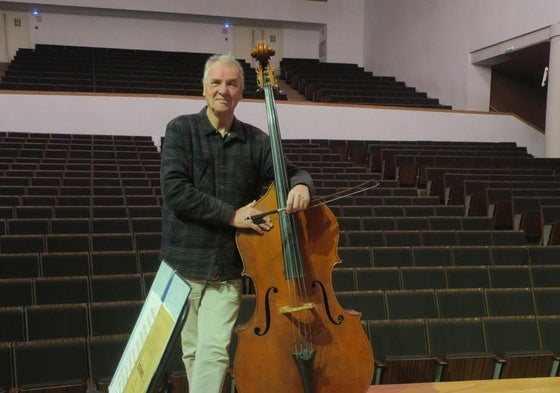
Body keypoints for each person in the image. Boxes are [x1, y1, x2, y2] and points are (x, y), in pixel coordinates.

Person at [159, 53, 314, 393]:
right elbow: (175, 191)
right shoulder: (181, 130)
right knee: (193, 351)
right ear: (203, 89)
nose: (223, 90)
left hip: (226, 269)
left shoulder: (257, 141)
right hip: (182, 267)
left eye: (231, 83)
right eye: (216, 82)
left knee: (213, 352)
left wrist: (301, 184)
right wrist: (231, 215)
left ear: (242, 92)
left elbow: (292, 173)